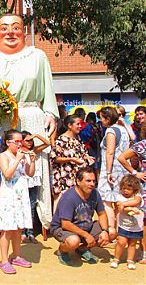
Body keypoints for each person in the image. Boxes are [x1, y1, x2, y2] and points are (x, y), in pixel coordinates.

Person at [0, 13, 58, 229]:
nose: (10, 32)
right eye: (4, 28)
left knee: (32, 165)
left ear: (24, 32)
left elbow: (48, 89)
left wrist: (51, 114)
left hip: (31, 117)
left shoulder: (38, 57)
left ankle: (34, 222)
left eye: (16, 27)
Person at [50, 167, 110, 266]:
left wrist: (105, 231)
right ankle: (62, 250)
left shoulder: (95, 193)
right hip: (63, 229)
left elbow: (102, 213)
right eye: (88, 181)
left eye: (94, 181)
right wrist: (86, 235)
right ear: (78, 181)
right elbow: (65, 224)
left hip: (86, 227)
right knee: (74, 241)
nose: (92, 184)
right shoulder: (69, 198)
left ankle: (82, 248)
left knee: (112, 232)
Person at [0, 130, 35, 274]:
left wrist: (32, 160)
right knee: (7, 228)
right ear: (8, 142)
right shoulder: (3, 156)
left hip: (21, 194)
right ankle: (4, 260)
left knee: (18, 227)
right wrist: (18, 159)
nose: (20, 144)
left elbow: (30, 173)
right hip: (9, 196)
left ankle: (17, 255)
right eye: (17, 142)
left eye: (21, 141)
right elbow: (7, 174)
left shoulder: (21, 155)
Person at [97, 106, 130, 240]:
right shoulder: (123, 129)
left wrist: (108, 171)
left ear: (107, 118)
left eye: (102, 118)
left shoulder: (111, 131)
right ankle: (120, 231)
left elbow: (110, 151)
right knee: (118, 201)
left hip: (111, 170)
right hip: (122, 169)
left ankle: (111, 230)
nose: (101, 121)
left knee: (107, 201)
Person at [50, 115, 95, 206]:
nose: (80, 126)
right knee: (61, 201)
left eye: (80, 124)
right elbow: (55, 158)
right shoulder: (61, 140)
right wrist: (71, 159)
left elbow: (82, 153)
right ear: (69, 125)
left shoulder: (78, 139)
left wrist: (88, 158)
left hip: (76, 175)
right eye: (77, 124)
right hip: (64, 176)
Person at [118, 122, 146, 264]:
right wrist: (135, 173)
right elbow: (121, 157)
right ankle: (145, 253)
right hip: (145, 186)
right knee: (145, 220)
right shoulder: (142, 145)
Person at [21, 130, 50, 243]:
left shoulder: (33, 151)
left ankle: (30, 232)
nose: (29, 142)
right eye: (27, 140)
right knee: (23, 205)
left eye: (31, 140)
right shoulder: (19, 151)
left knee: (32, 205)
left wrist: (37, 135)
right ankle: (22, 231)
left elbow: (47, 143)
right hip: (24, 180)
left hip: (33, 181)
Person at [110, 175, 143, 270]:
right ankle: (116, 259)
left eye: (128, 189)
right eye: (124, 188)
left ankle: (130, 260)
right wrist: (131, 209)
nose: (125, 191)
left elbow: (136, 201)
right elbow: (120, 207)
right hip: (123, 225)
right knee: (121, 242)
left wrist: (125, 205)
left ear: (135, 189)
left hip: (136, 226)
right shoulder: (119, 196)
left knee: (132, 243)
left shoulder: (137, 196)